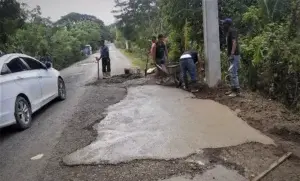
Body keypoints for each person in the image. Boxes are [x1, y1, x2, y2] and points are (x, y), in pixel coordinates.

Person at [222, 18, 241, 97]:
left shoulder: (232, 31)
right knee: (231, 72)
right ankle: (232, 89)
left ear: (227, 25)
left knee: (233, 73)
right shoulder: (229, 32)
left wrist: (232, 53)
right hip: (232, 55)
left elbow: (234, 42)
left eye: (224, 24)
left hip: (234, 55)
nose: (223, 25)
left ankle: (236, 91)